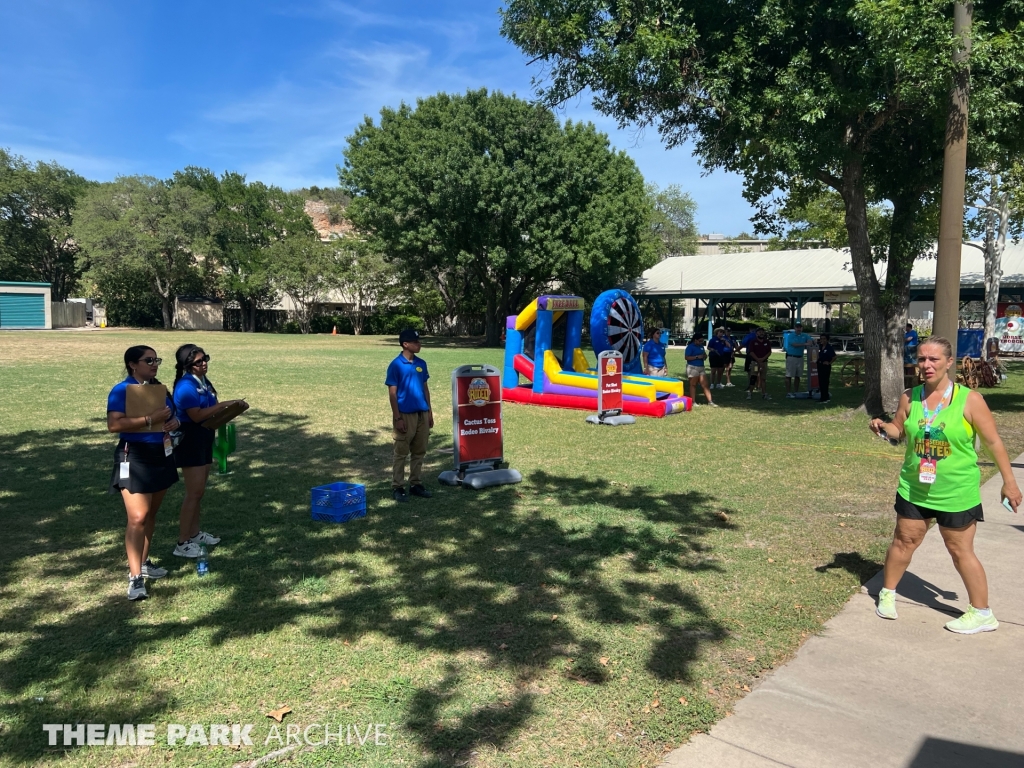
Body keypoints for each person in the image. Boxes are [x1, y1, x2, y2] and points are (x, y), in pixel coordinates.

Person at [869, 336, 1022, 633]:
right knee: (904, 540)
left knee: (960, 550)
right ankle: (887, 594)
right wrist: (883, 428)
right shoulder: (910, 397)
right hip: (914, 487)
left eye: (934, 359)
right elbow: (898, 432)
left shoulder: (970, 400)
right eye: (922, 359)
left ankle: (982, 613)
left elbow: (993, 443)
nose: (926, 365)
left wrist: (1010, 482)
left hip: (956, 490)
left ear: (949, 363)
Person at [107, 346, 180, 601]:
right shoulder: (121, 391)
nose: (154, 364)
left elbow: (174, 415)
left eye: (156, 360)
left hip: (161, 454)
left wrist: (174, 422)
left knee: (151, 514)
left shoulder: (159, 389)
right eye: (148, 360)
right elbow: (114, 425)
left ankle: (144, 562)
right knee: (138, 516)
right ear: (132, 365)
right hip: (133, 455)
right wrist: (150, 419)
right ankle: (135, 578)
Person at [172, 344, 249, 558]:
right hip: (190, 439)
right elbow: (196, 415)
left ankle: (194, 534)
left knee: (199, 492)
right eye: (198, 361)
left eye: (205, 358)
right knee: (193, 493)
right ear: (188, 365)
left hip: (205, 435)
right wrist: (225, 404)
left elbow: (209, 413)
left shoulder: (203, 382)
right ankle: (182, 542)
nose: (203, 363)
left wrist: (231, 410)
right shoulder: (186, 386)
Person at [386, 329, 434, 502]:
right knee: (401, 452)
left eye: (418, 341)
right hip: (405, 414)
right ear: (405, 344)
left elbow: (425, 388)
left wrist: (429, 411)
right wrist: (397, 417)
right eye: (415, 342)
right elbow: (392, 393)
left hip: (422, 413)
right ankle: (397, 486)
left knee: (419, 451)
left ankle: (415, 484)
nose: (419, 344)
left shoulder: (421, 363)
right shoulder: (396, 365)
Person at [684, 332, 716, 406]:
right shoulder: (690, 347)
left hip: (701, 367)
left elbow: (703, 355)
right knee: (693, 384)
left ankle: (710, 401)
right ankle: (693, 402)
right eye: (700, 341)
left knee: (705, 384)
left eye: (702, 341)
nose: (701, 342)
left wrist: (704, 356)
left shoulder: (701, 346)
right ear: (695, 340)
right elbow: (687, 357)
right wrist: (697, 357)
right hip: (692, 367)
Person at [784, 322, 812, 397]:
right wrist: (805, 344)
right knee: (789, 375)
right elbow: (794, 344)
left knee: (798, 376)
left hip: (800, 357)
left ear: (802, 328)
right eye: (797, 327)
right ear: (795, 328)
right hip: (791, 357)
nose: (798, 329)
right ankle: (788, 392)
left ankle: (796, 391)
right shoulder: (791, 336)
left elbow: (811, 340)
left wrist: (810, 341)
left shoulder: (804, 335)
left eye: (800, 327)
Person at [746, 327, 772, 401]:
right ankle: (750, 393)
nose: (761, 333)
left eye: (762, 332)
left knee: (763, 378)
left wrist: (762, 359)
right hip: (755, 363)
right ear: (756, 333)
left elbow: (769, 352)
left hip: (764, 363)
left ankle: (764, 394)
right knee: (753, 377)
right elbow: (751, 352)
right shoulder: (753, 342)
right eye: (759, 332)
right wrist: (758, 360)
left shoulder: (767, 342)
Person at [816, 334, 837, 404]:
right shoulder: (820, 347)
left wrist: (829, 363)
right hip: (820, 365)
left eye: (824, 339)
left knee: (825, 382)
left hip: (825, 367)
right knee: (821, 382)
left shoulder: (829, 348)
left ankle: (825, 398)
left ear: (827, 340)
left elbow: (834, 357)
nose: (822, 340)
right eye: (821, 339)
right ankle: (823, 397)